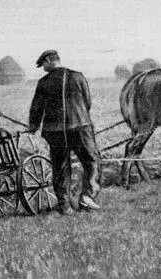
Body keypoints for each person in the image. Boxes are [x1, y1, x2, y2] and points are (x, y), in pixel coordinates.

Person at [28, 50, 101, 215]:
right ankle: (87, 197)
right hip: (80, 127)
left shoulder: (43, 82)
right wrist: (80, 116)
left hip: (54, 132)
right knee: (92, 160)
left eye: (43, 65)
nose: (43, 68)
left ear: (49, 61)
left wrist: (33, 126)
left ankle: (65, 206)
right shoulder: (78, 76)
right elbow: (87, 101)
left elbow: (36, 108)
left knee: (60, 168)